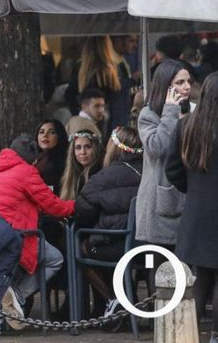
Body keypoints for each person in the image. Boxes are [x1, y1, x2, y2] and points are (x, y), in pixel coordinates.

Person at [0, 136, 75, 330]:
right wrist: (75, 206)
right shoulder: (26, 171)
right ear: (33, 159)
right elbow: (52, 205)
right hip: (10, 239)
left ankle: (2, 296)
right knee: (55, 259)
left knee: (19, 265)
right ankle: (13, 295)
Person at [166, 72, 218, 343]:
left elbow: (172, 169)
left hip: (196, 212)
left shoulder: (186, 126)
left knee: (200, 278)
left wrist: (195, 191)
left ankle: (189, 334)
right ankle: (216, 337)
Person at [75, 126, 143, 319]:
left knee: (82, 248)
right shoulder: (152, 169)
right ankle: (127, 300)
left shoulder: (105, 176)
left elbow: (83, 210)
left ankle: (114, 300)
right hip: (148, 252)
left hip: (121, 249)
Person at [135, 59, 191, 249]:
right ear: (166, 86)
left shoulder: (193, 111)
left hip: (188, 199)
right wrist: (170, 113)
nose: (186, 87)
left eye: (188, 82)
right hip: (160, 203)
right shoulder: (148, 114)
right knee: (159, 267)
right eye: (179, 83)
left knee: (186, 270)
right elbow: (157, 148)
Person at [58, 129, 104, 200]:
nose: (83, 152)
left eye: (88, 147)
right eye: (78, 147)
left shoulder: (100, 174)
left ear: (95, 149)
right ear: (72, 151)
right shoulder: (72, 173)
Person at [33, 119, 69, 193]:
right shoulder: (41, 157)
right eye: (41, 132)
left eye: (52, 132)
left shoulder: (55, 165)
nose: (45, 135)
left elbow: (49, 194)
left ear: (60, 136)